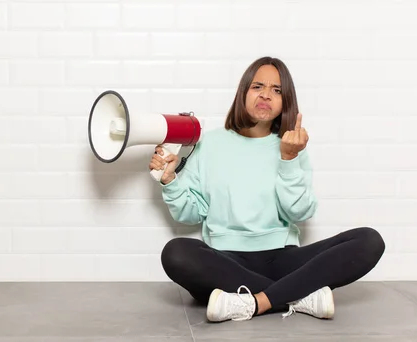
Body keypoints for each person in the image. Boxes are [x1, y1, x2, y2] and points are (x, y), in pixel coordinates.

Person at [149, 56, 385, 323]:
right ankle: (297, 295)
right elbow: (190, 214)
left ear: (286, 101)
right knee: (176, 252)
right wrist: (170, 181)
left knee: (369, 240)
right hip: (225, 261)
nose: (266, 95)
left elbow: (299, 212)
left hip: (283, 259)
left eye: (277, 90)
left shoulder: (290, 146)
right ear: (243, 92)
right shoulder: (210, 144)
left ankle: (253, 301)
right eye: (258, 86)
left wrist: (289, 158)